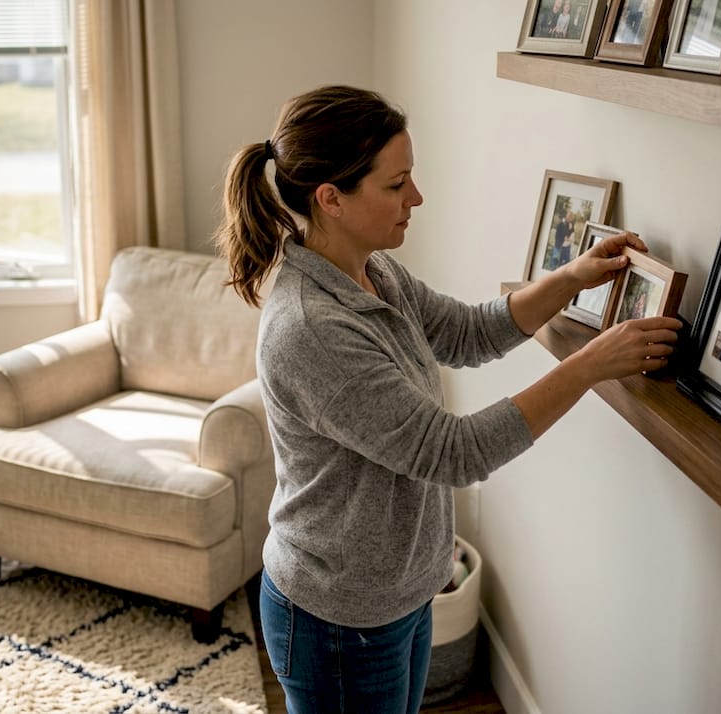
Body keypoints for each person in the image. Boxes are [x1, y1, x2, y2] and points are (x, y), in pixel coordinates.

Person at [214, 85, 680, 713]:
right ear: (332, 199)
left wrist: (570, 279)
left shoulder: (373, 271)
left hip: (399, 593)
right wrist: (588, 364)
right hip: (338, 619)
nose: (416, 198)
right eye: (396, 183)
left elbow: (466, 331)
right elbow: (453, 452)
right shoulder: (312, 330)